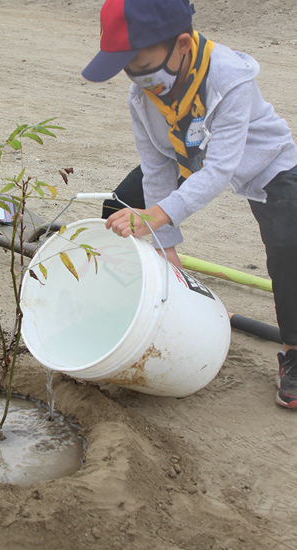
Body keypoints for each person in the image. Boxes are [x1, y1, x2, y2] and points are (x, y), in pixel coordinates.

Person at [82, 0, 297, 409]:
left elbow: (219, 169)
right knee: (121, 207)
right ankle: (129, 313)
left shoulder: (230, 76)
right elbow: (158, 170)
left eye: (141, 65)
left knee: (291, 241)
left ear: (182, 44)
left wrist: (157, 216)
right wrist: (168, 249)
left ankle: (295, 350)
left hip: (262, 163)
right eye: (127, 69)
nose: (137, 78)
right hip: (190, 157)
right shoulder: (141, 98)